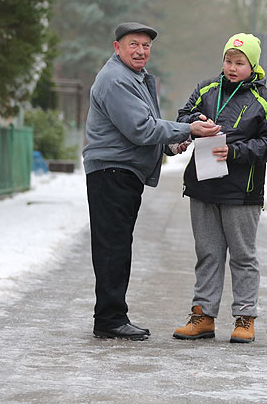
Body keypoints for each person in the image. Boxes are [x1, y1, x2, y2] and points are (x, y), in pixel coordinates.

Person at [83, 21, 221, 341]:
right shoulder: (116, 79)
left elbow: (144, 128)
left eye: (146, 46)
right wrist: (188, 130)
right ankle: (109, 318)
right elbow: (141, 129)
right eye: (134, 44)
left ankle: (112, 315)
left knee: (117, 246)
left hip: (121, 172)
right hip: (112, 172)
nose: (141, 51)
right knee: (112, 247)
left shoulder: (136, 79)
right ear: (117, 47)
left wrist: (171, 144)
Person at [172, 33, 267, 343]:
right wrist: (197, 121)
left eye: (240, 62)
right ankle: (203, 316)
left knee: (242, 256)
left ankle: (245, 318)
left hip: (242, 192)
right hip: (203, 185)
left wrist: (235, 152)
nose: (232, 67)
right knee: (207, 253)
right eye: (228, 61)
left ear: (253, 65)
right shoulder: (206, 89)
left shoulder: (266, 100)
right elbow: (183, 116)